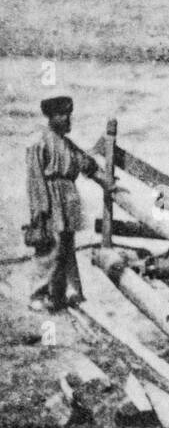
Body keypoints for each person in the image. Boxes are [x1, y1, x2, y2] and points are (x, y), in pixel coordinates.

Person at [26, 96, 104, 312]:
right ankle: (38, 294)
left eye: (68, 114)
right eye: (62, 115)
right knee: (50, 248)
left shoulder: (67, 145)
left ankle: (67, 293)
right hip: (50, 201)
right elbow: (35, 179)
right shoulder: (39, 143)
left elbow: (87, 165)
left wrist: (107, 182)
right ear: (51, 117)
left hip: (68, 201)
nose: (67, 119)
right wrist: (40, 211)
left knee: (67, 247)